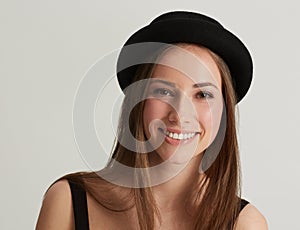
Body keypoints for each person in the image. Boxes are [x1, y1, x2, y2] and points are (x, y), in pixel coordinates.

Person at [36, 11, 268, 229]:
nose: (179, 115)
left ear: (224, 110)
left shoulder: (245, 224)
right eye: (164, 91)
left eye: (203, 95)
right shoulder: (68, 202)